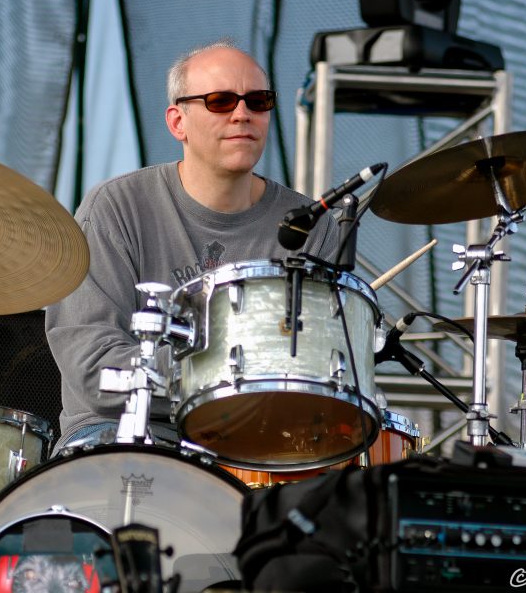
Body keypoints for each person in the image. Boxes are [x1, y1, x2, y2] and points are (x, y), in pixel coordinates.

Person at [46, 40, 337, 452]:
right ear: (177, 122)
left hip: (257, 439)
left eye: (258, 100)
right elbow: (94, 369)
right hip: (125, 432)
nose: (242, 114)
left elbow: (317, 367)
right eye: (220, 101)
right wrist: (233, 369)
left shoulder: (311, 223)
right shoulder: (115, 207)